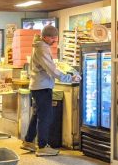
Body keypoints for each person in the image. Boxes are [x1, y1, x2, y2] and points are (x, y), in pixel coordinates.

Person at [21, 25, 81, 156]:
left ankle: (28, 141)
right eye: (53, 38)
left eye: (56, 38)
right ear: (45, 37)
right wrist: (69, 77)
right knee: (45, 117)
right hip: (42, 87)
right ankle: (42, 147)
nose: (54, 41)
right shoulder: (42, 48)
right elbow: (51, 69)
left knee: (37, 115)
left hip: (38, 86)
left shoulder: (39, 46)